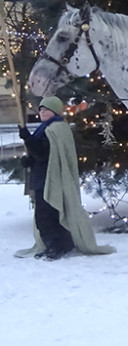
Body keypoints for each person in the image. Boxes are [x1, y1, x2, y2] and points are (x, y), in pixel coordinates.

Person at [15, 97, 115, 260]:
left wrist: (27, 138)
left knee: (50, 214)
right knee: (42, 216)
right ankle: (52, 245)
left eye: (46, 110)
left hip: (53, 178)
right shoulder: (45, 128)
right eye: (41, 110)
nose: (42, 112)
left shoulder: (57, 129)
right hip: (42, 177)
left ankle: (58, 246)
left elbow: (43, 152)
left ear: (54, 111)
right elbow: (41, 154)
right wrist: (29, 160)